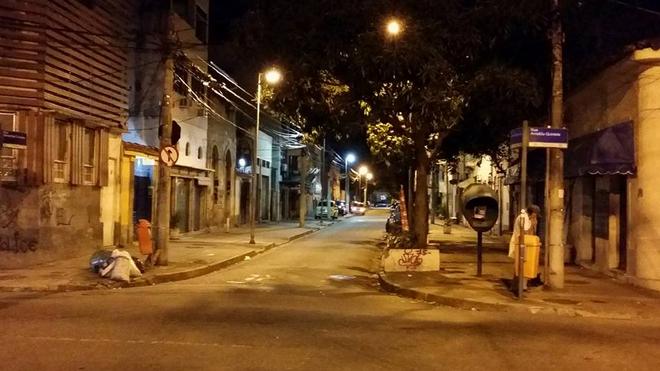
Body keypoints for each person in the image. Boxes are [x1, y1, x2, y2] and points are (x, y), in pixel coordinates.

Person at [508, 205, 541, 291]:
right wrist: (533, 224)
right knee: (520, 265)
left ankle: (520, 286)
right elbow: (525, 232)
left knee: (523, 264)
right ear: (532, 213)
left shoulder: (527, 218)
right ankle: (517, 286)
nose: (535, 217)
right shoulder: (524, 218)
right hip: (520, 244)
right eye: (535, 215)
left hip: (525, 243)